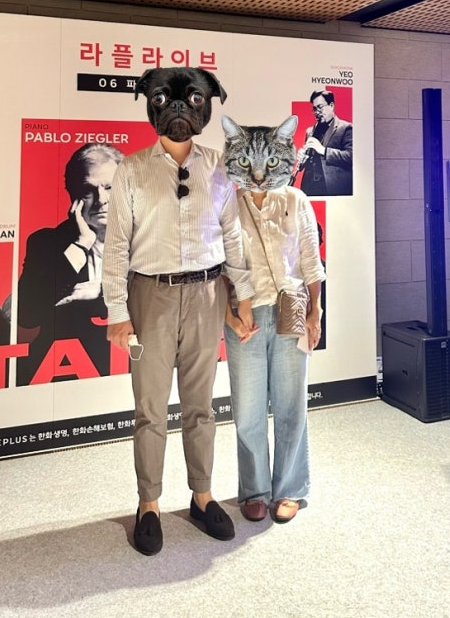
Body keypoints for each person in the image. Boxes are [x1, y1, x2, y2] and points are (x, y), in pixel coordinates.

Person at [102, 67, 253, 557]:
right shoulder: (131, 169)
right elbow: (116, 245)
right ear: (149, 103)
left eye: (194, 99)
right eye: (164, 99)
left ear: (209, 104)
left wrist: (242, 297)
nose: (179, 109)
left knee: (201, 406)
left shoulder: (220, 167)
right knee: (150, 409)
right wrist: (118, 311)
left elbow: (232, 236)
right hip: (150, 296)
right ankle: (148, 503)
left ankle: (202, 496)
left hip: (208, 295)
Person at [221, 114, 324, 524]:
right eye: (249, 164)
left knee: (290, 403)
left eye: (270, 164)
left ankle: (290, 488)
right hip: (243, 313)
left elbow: (311, 261)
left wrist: (316, 312)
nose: (259, 175)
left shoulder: (296, 201)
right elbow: (219, 268)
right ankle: (254, 489)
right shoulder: (226, 203)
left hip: (291, 308)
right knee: (247, 409)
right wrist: (228, 316)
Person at [16, 142, 123, 385]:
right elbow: (27, 316)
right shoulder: (45, 242)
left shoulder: (149, 238)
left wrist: (102, 290)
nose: (102, 200)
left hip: (128, 363)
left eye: (110, 187)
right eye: (88, 190)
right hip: (64, 370)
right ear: (72, 195)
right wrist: (81, 244)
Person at [295, 88, 353, 196]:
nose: (317, 112)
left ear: (331, 106)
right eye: (314, 109)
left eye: (320, 107)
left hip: (332, 188)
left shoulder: (346, 128)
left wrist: (324, 151)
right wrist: (302, 161)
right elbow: (308, 162)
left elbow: (351, 156)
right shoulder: (310, 131)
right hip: (309, 188)